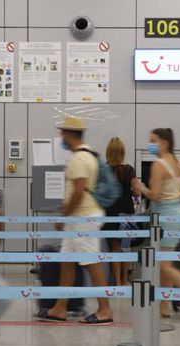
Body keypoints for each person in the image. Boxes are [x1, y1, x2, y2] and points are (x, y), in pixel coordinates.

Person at [37, 116, 114, 325]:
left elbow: (79, 192)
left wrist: (65, 215)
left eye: (62, 132)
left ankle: (105, 310)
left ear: (70, 134)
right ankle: (60, 308)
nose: (60, 136)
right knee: (67, 262)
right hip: (79, 217)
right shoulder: (89, 155)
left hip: (83, 218)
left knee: (91, 263)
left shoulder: (79, 159)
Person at [135, 128, 180, 320]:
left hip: (164, 217)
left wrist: (142, 188)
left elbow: (155, 195)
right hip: (178, 214)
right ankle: (164, 307)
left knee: (164, 266)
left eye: (153, 141)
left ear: (164, 143)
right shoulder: (179, 164)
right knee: (166, 263)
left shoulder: (158, 165)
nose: (150, 144)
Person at [104, 137, 141, 286]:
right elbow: (137, 191)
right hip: (126, 211)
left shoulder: (104, 170)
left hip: (110, 211)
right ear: (122, 152)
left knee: (114, 247)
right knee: (126, 246)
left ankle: (117, 281)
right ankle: (125, 280)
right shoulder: (128, 170)